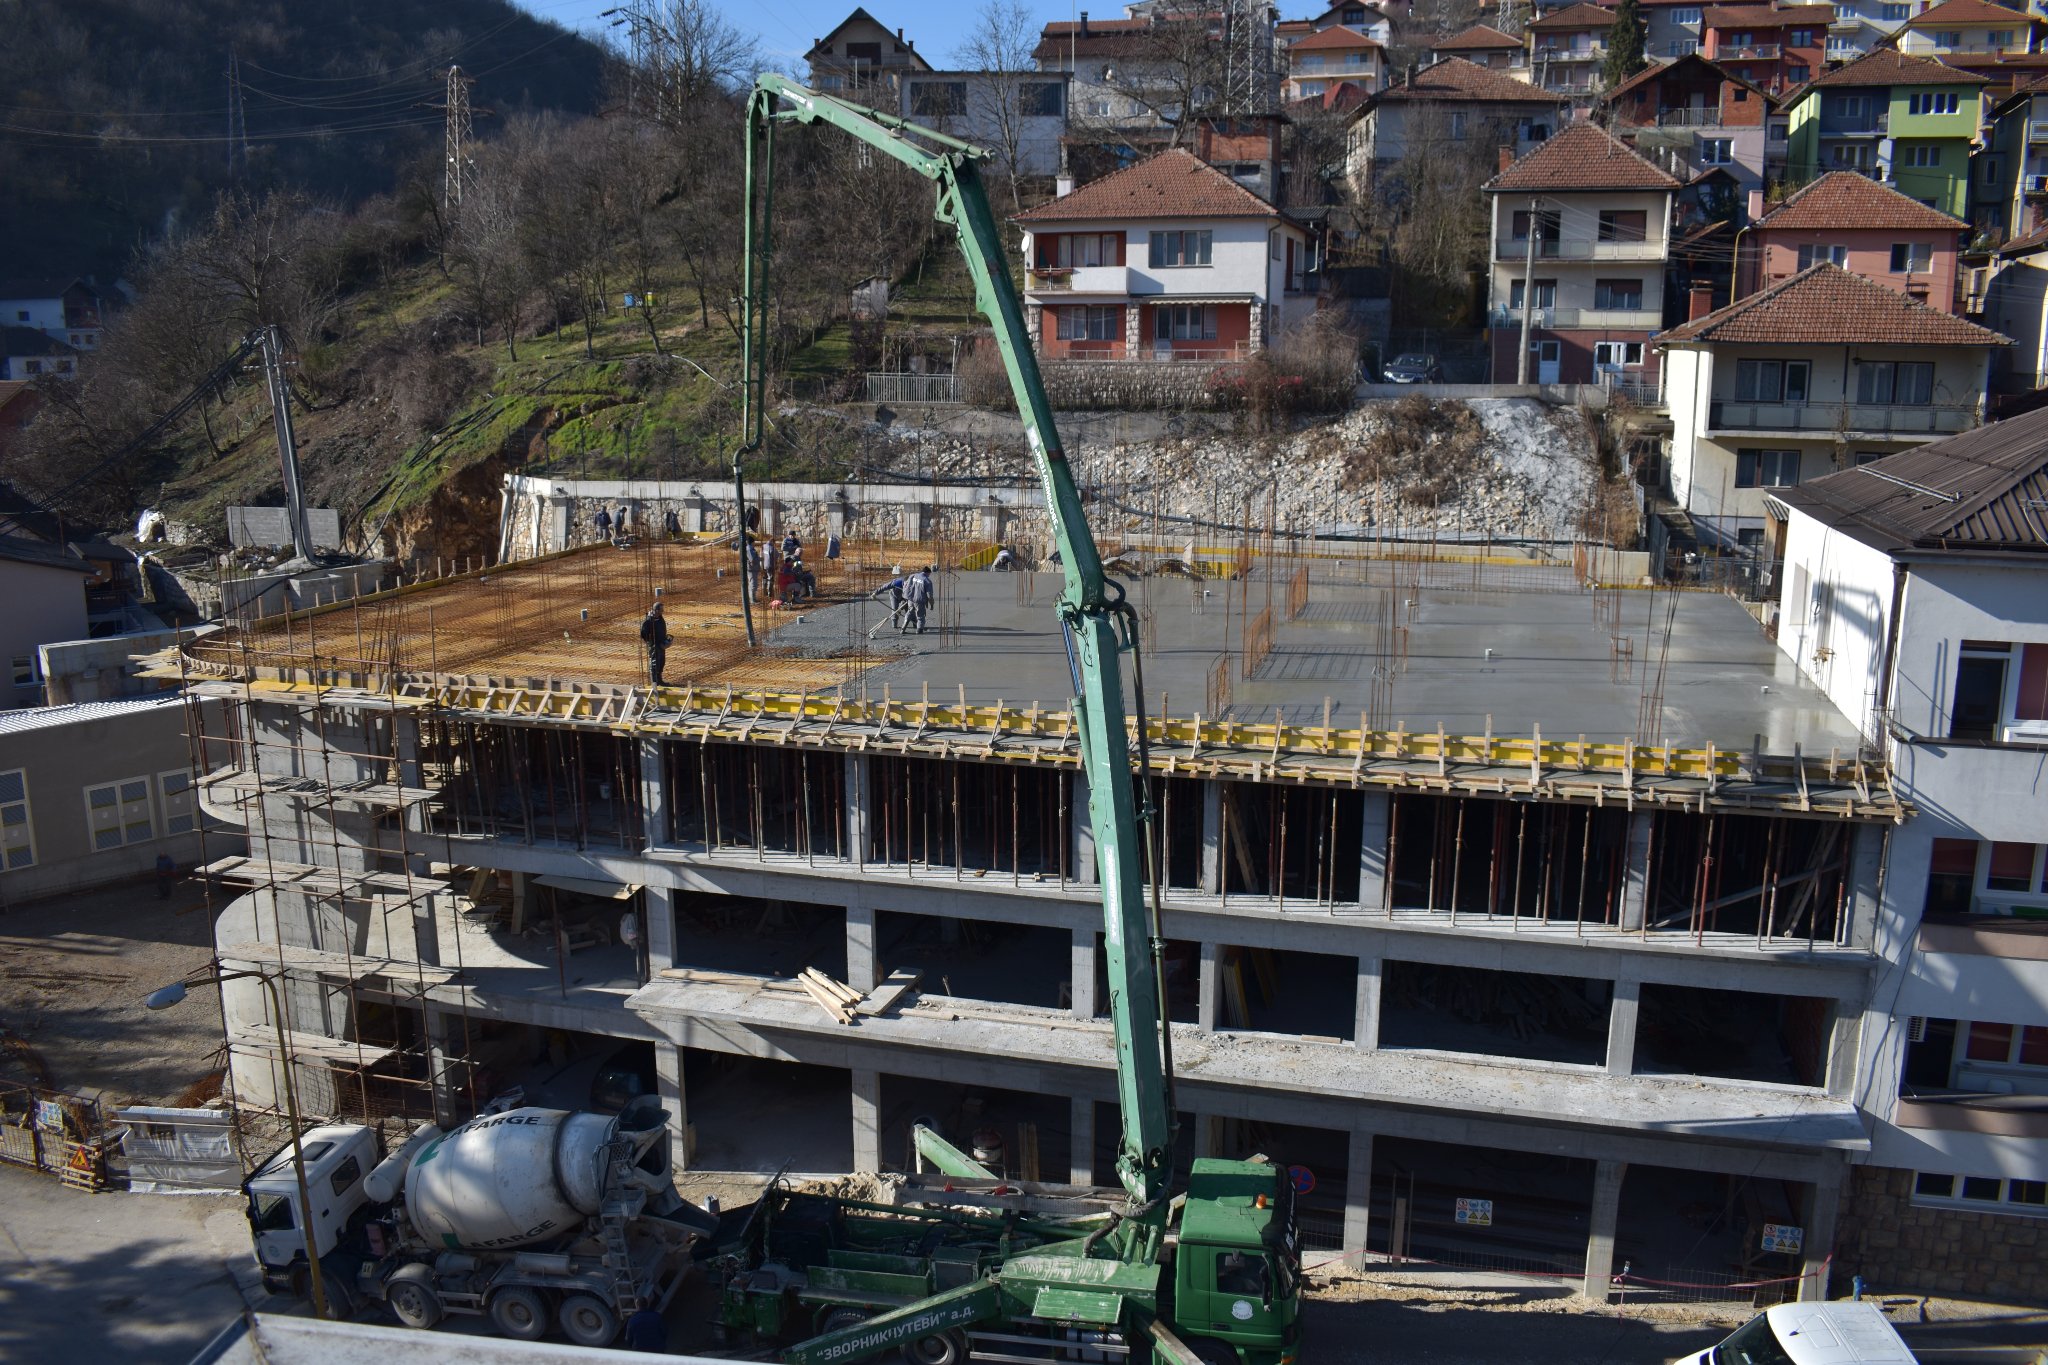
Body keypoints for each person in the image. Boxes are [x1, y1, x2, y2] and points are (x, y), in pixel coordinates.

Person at [639, 603, 672, 686]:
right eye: (661, 610)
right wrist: (651, 643)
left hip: (661, 644)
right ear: (656, 610)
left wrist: (665, 639)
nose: (662, 611)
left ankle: (659, 680)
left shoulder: (660, 618)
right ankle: (655, 683)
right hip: (654, 645)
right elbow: (643, 634)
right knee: (655, 663)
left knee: (661, 662)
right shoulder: (648, 620)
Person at [904, 565, 934, 634]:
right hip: (919, 600)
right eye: (929, 574)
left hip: (910, 599)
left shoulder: (913, 576)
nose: (929, 575)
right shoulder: (927, 581)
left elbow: (906, 585)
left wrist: (906, 596)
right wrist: (931, 604)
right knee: (920, 615)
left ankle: (903, 628)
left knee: (909, 612)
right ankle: (919, 631)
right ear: (927, 573)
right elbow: (930, 595)